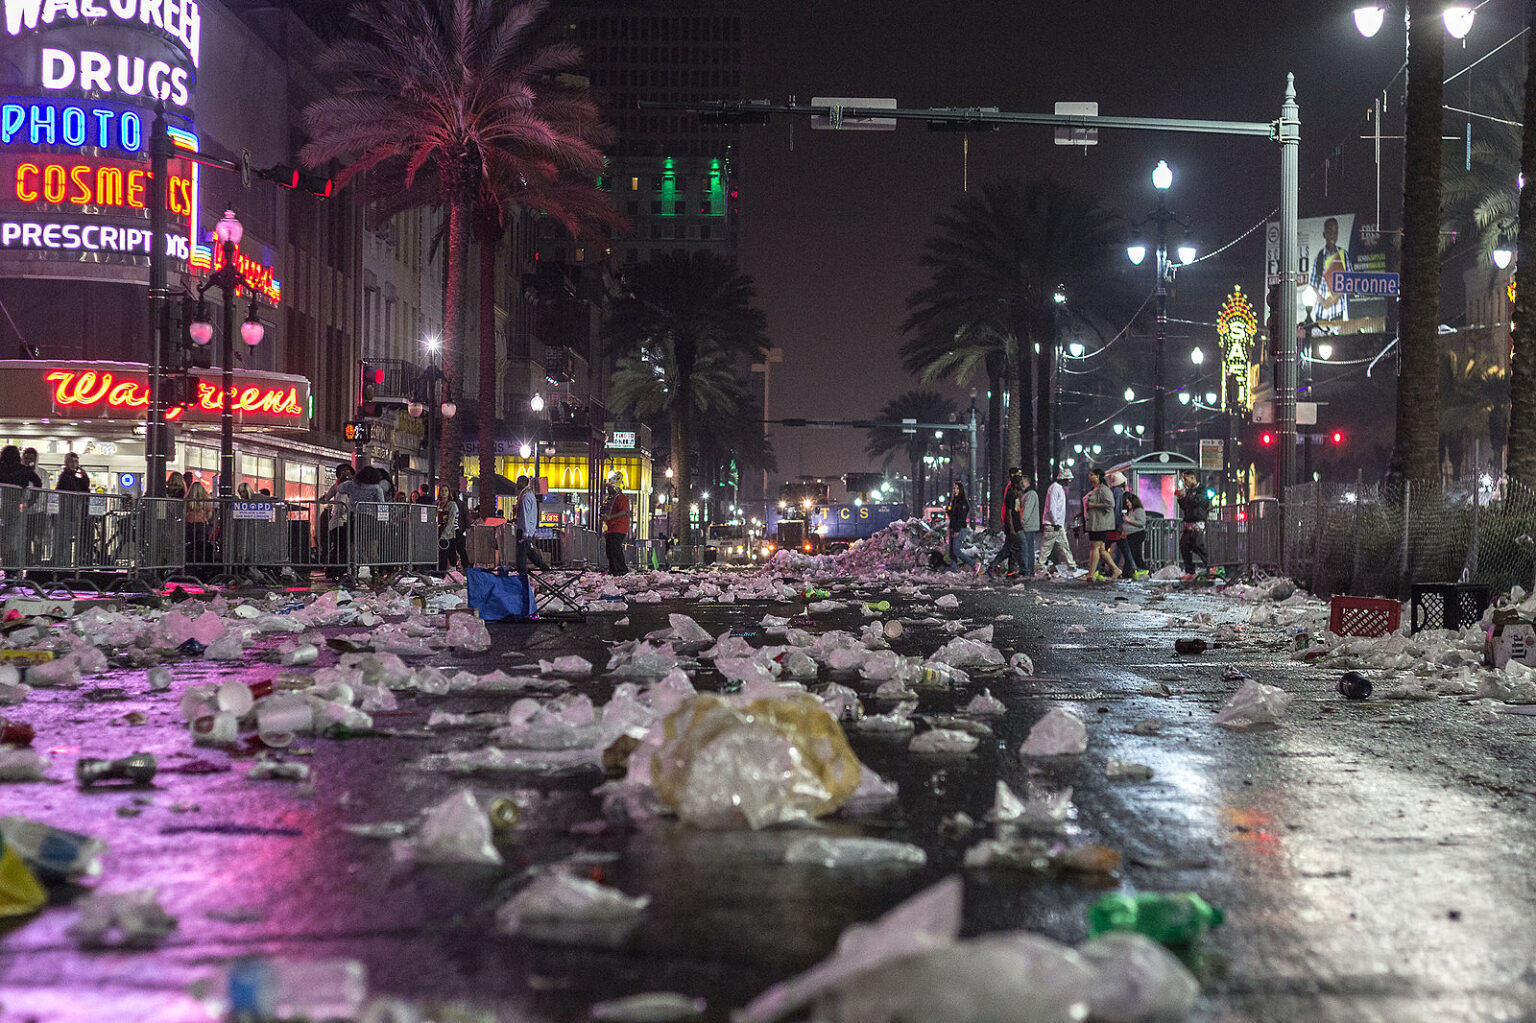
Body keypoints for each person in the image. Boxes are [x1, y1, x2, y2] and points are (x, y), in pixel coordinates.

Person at [1309, 216, 1351, 321]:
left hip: (1337, 311)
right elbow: (1313, 285)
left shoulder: (1343, 255)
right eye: (1329, 232)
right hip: (1321, 311)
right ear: (1324, 235)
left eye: (1335, 232)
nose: (1332, 235)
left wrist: (1335, 298)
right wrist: (1323, 301)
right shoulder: (1319, 257)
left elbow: (1350, 281)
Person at [1084, 468, 1121, 582]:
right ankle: (1115, 569)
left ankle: (1091, 574)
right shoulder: (1095, 489)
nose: (1090, 477)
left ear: (1098, 476)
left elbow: (1110, 504)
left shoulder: (1104, 490)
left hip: (1100, 523)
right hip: (1094, 522)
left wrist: (1093, 505)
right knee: (1101, 549)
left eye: (1092, 475)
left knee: (1095, 547)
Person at [987, 468, 1024, 577]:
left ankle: (1010, 570)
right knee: (1012, 547)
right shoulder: (1010, 491)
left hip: (1015, 525)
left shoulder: (1016, 493)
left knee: (1010, 548)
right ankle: (993, 566)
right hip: (1012, 525)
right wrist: (1011, 527)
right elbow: (1009, 511)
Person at [514, 474, 551, 583]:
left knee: (521, 553)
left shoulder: (525, 496)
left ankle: (522, 575)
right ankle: (543, 567)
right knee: (528, 551)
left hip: (523, 529)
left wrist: (525, 532)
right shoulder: (529, 495)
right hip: (527, 528)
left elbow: (525, 515)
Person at [1040, 467, 1077, 573]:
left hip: (1056, 524)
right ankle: (1041, 566)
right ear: (1063, 478)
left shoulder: (1057, 488)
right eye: (1068, 479)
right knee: (1049, 547)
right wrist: (1056, 522)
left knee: (1062, 545)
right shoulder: (1055, 488)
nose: (1069, 481)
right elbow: (1052, 507)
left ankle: (1072, 565)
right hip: (1053, 524)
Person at [1177, 471, 1210, 577]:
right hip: (1189, 523)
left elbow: (1197, 502)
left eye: (1186, 480)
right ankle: (1190, 570)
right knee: (1184, 545)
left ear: (1192, 478)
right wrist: (1180, 498)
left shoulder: (1202, 490)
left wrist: (1185, 496)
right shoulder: (1189, 491)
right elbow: (1184, 506)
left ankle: (1211, 565)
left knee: (1198, 545)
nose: (1185, 483)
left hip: (1198, 523)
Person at [946, 481, 979, 573]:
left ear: (961, 490)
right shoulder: (954, 501)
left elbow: (961, 517)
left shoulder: (962, 502)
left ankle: (973, 564)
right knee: (952, 553)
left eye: (957, 488)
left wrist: (957, 530)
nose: (955, 490)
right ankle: (953, 572)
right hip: (953, 528)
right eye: (954, 488)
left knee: (956, 551)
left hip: (959, 529)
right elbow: (954, 516)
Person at [1107, 472, 1135, 579]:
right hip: (1115, 526)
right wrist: (1119, 527)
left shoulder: (1111, 491)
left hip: (1109, 525)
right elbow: (1117, 510)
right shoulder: (1118, 492)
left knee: (1105, 549)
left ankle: (1105, 569)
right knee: (1125, 549)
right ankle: (1132, 569)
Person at [601, 476, 630, 576]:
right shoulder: (611, 499)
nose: (607, 489)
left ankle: (621, 569)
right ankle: (613, 569)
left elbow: (623, 511)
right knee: (610, 549)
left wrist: (610, 517)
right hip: (611, 528)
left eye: (609, 487)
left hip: (619, 527)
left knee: (615, 549)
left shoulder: (622, 498)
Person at [437, 485, 466, 572]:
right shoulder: (437, 504)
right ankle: (442, 572)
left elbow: (451, 520)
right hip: (438, 532)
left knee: (449, 554)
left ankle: (451, 573)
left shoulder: (452, 505)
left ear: (449, 493)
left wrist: (445, 533)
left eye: (446, 491)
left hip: (449, 534)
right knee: (442, 554)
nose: (444, 493)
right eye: (442, 490)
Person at [1018, 472, 1041, 578]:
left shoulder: (1030, 494)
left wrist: (1022, 521)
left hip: (1028, 525)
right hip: (1028, 525)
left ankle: (1028, 570)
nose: (1021, 483)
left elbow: (1027, 510)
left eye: (1022, 481)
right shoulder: (1028, 494)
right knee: (1028, 548)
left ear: (1027, 482)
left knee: (1027, 548)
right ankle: (1029, 570)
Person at [1122, 491, 1148, 577]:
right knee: (1135, 555)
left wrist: (1129, 520)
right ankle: (1142, 570)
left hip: (1136, 534)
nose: (1128, 504)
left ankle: (1127, 572)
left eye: (1128, 502)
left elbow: (1141, 522)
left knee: (1134, 554)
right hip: (1131, 535)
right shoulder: (1131, 511)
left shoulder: (1138, 510)